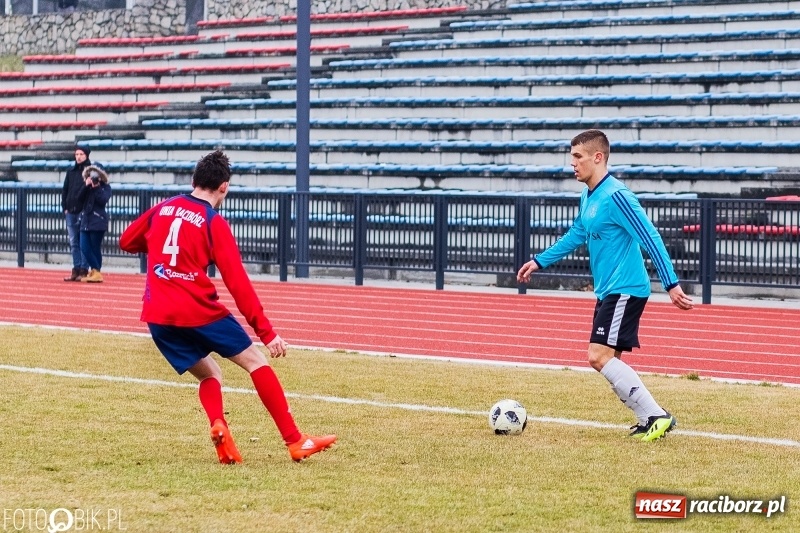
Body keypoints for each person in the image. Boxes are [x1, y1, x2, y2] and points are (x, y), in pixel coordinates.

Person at [119, 150, 336, 463]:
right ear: (224, 187)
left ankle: (219, 425)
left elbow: (126, 241)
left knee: (211, 374)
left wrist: (159, 247)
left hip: (158, 314)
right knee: (256, 361)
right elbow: (238, 284)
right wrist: (267, 332)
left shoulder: (163, 208)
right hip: (197, 310)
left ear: (193, 181)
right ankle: (295, 441)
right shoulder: (212, 222)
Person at [516, 130, 694, 442]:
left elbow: (650, 236)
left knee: (597, 357)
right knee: (611, 362)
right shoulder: (589, 195)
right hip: (610, 289)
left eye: (577, 157)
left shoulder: (617, 196)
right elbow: (576, 233)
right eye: (572, 156)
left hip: (625, 289)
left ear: (598, 157)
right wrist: (540, 261)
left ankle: (656, 415)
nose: (572, 163)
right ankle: (647, 420)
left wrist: (671, 284)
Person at [61, 145, 91, 281]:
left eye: (81, 154)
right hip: (71, 211)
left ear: (86, 156)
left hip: (83, 211)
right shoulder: (71, 171)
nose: (78, 157)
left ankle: (84, 270)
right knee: (73, 241)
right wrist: (65, 207)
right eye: (77, 154)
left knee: (83, 241)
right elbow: (65, 190)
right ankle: (76, 268)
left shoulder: (90, 171)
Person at [77, 164, 112, 283]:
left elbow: (103, 200)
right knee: (84, 247)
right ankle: (96, 271)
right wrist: (86, 186)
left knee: (94, 248)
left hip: (98, 221)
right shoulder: (87, 186)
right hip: (85, 220)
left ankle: (96, 271)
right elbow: (78, 199)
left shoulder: (106, 188)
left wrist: (96, 187)